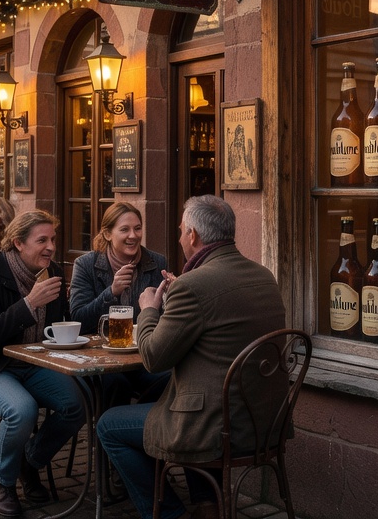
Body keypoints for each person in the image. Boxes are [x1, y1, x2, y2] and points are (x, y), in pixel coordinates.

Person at [97, 196, 287, 519]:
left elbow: (154, 357)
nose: (180, 236)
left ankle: (170, 513)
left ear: (194, 236)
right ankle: (206, 505)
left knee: (107, 426)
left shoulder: (194, 285)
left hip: (214, 427)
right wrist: (176, 304)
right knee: (173, 398)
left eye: (182, 230)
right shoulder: (264, 276)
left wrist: (150, 310)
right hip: (263, 422)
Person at [0, 210, 86, 518]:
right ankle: (4, 481)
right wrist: (29, 304)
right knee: (21, 410)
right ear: (18, 243)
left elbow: (57, 327)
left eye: (52, 239)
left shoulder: (52, 274)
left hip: (32, 363)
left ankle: (29, 460)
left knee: (77, 404)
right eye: (42, 240)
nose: (50, 247)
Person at [70, 202, 172, 405]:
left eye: (137, 228)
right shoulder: (86, 265)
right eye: (124, 229)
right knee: (115, 383)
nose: (133, 235)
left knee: (171, 378)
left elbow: (163, 319)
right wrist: (111, 292)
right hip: (101, 357)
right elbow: (79, 319)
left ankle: (135, 427)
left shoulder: (156, 263)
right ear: (108, 234)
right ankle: (108, 433)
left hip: (141, 357)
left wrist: (172, 297)